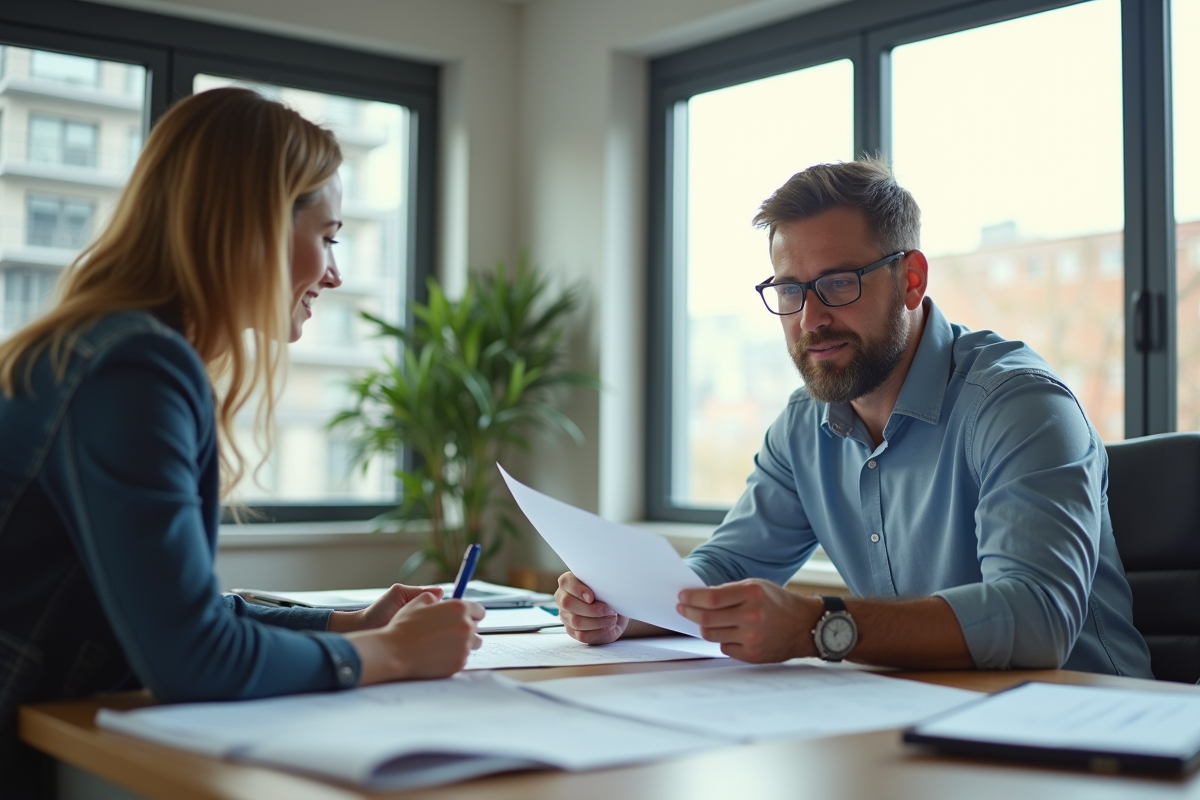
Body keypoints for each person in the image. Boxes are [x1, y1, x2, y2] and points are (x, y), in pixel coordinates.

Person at [0, 88, 483, 797]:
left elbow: (180, 610)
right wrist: (392, 654)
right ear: (253, 226)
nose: (335, 272)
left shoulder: (112, 348)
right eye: (328, 236)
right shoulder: (136, 369)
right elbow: (191, 658)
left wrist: (353, 623)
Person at [556, 158, 1152, 678]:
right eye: (789, 291)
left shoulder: (1018, 405)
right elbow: (729, 567)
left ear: (911, 279)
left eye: (838, 284)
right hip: (920, 720)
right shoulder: (803, 426)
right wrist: (627, 608)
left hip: (1093, 737)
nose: (810, 318)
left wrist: (821, 626)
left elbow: (1035, 619)